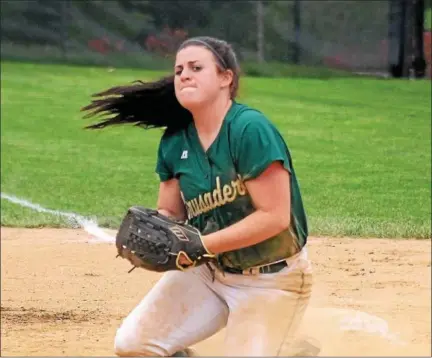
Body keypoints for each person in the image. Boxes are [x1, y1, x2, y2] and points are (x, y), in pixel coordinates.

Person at [82, 36, 314, 357]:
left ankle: (287, 350)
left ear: (225, 78)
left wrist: (202, 245)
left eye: (195, 67)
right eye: (179, 70)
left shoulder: (249, 129)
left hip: (271, 279)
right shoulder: (175, 140)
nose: (184, 75)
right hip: (208, 272)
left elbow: (275, 216)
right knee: (133, 345)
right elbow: (171, 211)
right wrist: (156, 230)